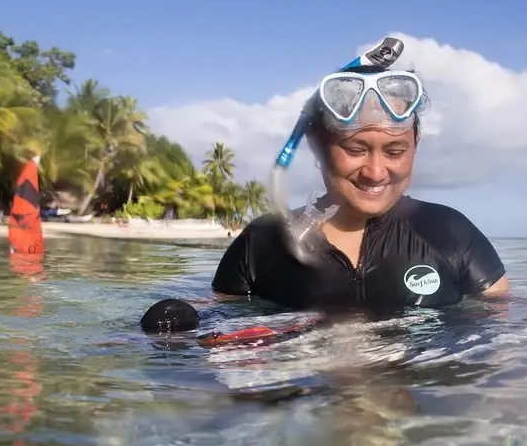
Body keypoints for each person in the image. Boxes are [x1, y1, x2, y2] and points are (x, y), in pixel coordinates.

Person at [212, 63, 510, 313]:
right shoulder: (261, 243)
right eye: (356, 150)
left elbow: (508, 325)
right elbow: (218, 323)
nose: (375, 173)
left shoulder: (450, 233)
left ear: (414, 146)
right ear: (319, 148)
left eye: (395, 152)